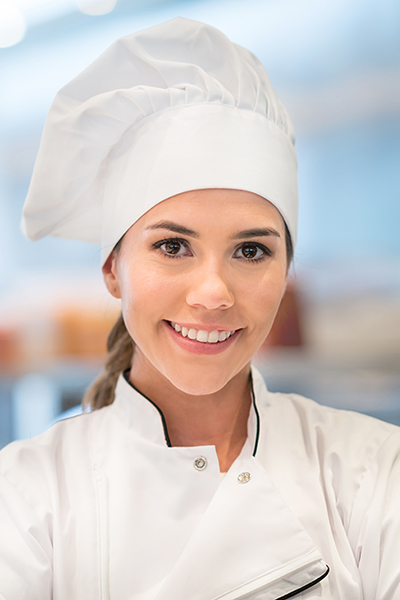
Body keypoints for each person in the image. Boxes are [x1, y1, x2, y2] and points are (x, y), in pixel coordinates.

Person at [1, 17, 399, 600]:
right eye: (172, 247)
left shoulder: (374, 472)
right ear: (112, 269)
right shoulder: (25, 497)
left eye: (251, 250)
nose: (213, 293)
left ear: (287, 271)